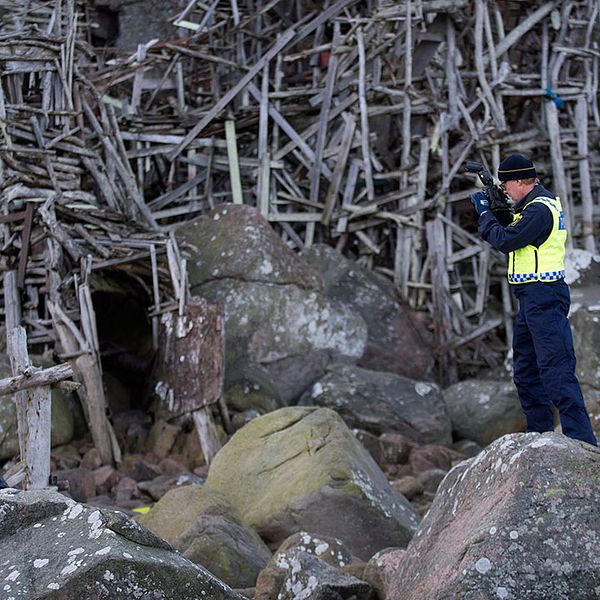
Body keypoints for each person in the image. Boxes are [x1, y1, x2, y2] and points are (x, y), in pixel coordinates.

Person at [470, 153, 597, 446]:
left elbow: (506, 240)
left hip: (545, 295)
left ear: (518, 181)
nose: (504, 190)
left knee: (556, 370)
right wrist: (497, 209)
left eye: (505, 185)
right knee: (526, 370)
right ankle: (538, 434)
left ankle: (583, 441)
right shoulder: (531, 206)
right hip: (530, 297)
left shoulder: (539, 210)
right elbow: (513, 226)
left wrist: (485, 214)